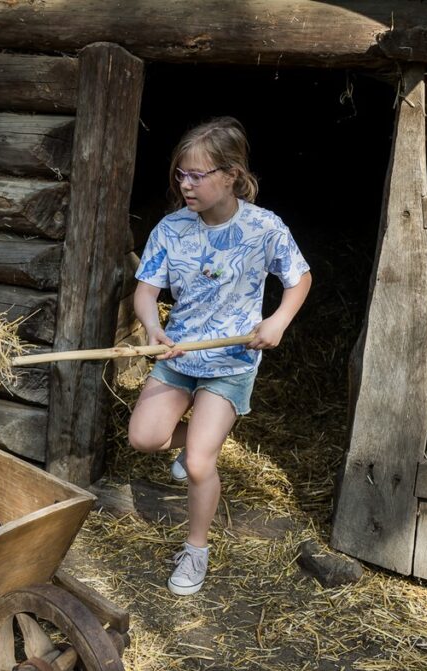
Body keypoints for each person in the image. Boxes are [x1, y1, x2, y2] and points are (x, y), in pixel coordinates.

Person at [128, 117, 312, 595]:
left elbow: (299, 278)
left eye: (197, 175)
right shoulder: (171, 228)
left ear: (230, 175)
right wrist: (153, 327)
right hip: (179, 355)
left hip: (231, 362)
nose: (185, 184)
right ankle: (196, 442)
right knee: (145, 438)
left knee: (197, 464)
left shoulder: (263, 227)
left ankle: (195, 550)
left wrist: (278, 321)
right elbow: (145, 291)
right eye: (181, 175)